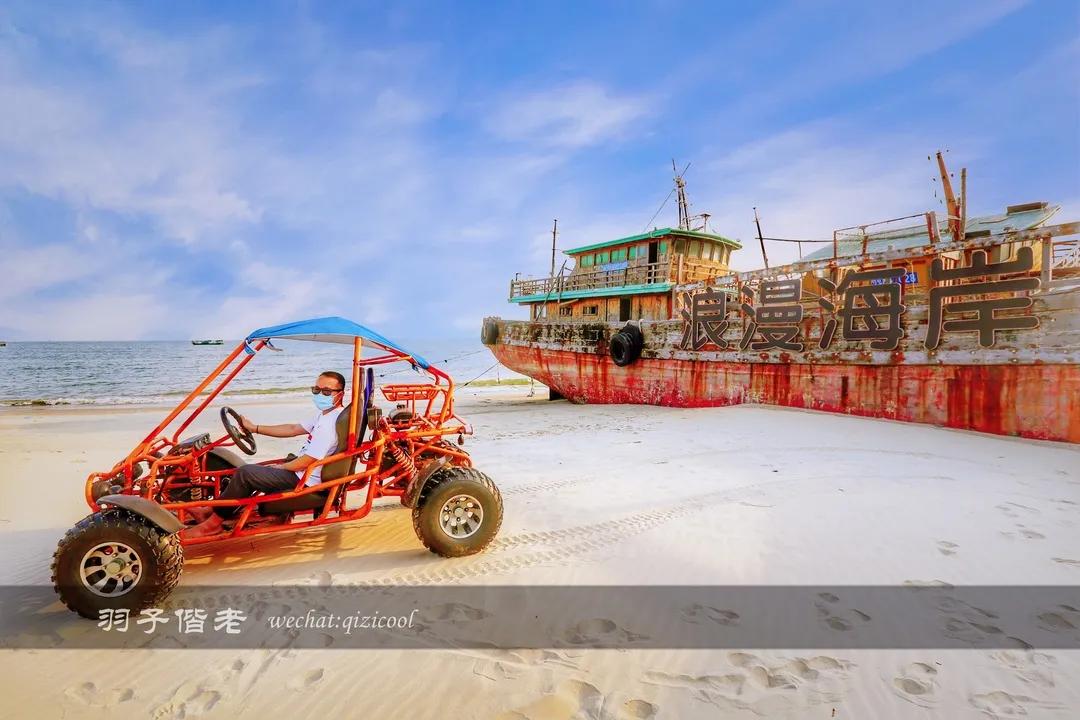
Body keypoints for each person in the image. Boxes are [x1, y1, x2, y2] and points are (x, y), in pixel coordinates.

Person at [181, 371, 347, 539]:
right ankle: (209, 510)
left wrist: (282, 467)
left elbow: (307, 461)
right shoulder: (325, 415)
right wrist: (255, 428)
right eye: (316, 390)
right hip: (303, 473)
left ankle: (212, 525)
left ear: (340, 394)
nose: (320, 395)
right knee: (251, 470)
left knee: (246, 473)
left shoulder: (329, 425)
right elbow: (292, 429)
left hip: (305, 480)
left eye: (326, 391)